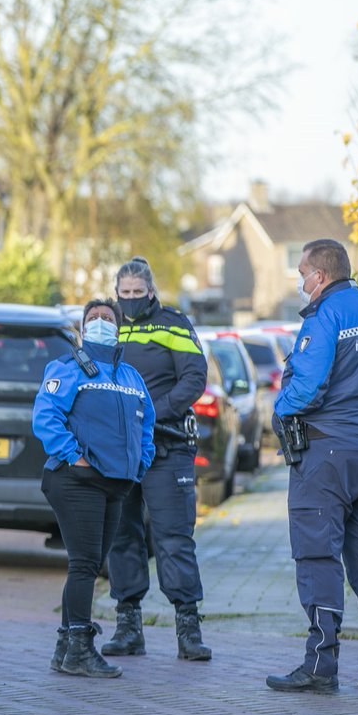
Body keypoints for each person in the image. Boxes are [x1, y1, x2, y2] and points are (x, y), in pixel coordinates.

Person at [266, 239, 358, 694]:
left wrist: (279, 412)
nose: (300, 282)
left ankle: (320, 663)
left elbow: (307, 385)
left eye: (302, 273)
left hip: (324, 454)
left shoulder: (325, 316)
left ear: (321, 276)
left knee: (316, 552)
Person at [34, 299, 156, 678]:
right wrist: (75, 456)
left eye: (108, 318)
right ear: (83, 328)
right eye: (94, 318)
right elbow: (46, 416)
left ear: (118, 328)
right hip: (76, 481)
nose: (101, 322)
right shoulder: (68, 368)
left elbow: (146, 424)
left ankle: (65, 648)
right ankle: (80, 649)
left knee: (89, 565)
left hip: (116, 485)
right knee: (85, 564)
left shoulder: (131, 377)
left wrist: (141, 462)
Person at [102, 256, 213, 662]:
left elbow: (194, 379)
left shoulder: (174, 324)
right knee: (121, 536)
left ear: (151, 291)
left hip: (165, 446)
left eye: (137, 293)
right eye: (124, 294)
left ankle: (188, 629)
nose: (130, 300)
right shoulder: (108, 325)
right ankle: (128, 627)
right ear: (117, 293)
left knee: (173, 538)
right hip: (117, 451)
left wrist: (154, 409)